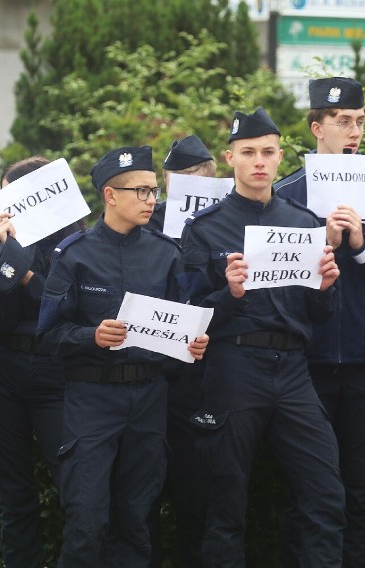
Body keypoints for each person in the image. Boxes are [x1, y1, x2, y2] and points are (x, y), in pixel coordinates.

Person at [181, 107, 346, 567]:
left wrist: (328, 288)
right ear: (230, 157)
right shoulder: (204, 228)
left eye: (268, 152)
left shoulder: (305, 222)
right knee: (225, 501)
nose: (259, 161)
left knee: (325, 493)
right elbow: (189, 315)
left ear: (279, 158)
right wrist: (230, 294)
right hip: (234, 368)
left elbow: (322, 312)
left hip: (293, 370)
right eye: (249, 152)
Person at [37, 145, 209, 567]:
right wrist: (90, 337)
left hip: (149, 397)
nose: (152, 200)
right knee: (86, 518)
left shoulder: (167, 253)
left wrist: (191, 345)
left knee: (138, 519)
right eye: (142, 192)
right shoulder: (74, 254)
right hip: (91, 400)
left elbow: (181, 327)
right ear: (110, 196)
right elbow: (48, 337)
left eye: (153, 191)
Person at [275, 76, 365, 567]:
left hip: (364, 365)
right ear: (317, 127)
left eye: (359, 121)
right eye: (341, 122)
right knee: (305, 492)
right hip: (303, 366)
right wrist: (322, 246)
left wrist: (362, 248)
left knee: (358, 491)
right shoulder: (285, 196)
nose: (353, 131)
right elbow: (273, 283)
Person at [0, 156, 85, 567]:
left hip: (56, 374)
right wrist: (10, 253)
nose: (2, 209)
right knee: (15, 497)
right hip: (4, 373)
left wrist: (25, 276)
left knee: (74, 491)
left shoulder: (76, 246)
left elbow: (64, 308)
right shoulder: (4, 246)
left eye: (10, 196)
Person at [146, 134, 217, 568]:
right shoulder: (145, 221)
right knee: (144, 496)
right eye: (180, 179)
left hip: (201, 376)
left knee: (198, 497)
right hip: (152, 373)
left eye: (197, 179)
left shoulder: (225, 223)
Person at [147, 134, 217, 233]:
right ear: (165, 181)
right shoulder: (149, 219)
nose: (187, 195)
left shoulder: (224, 218)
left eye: (194, 186)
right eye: (178, 185)